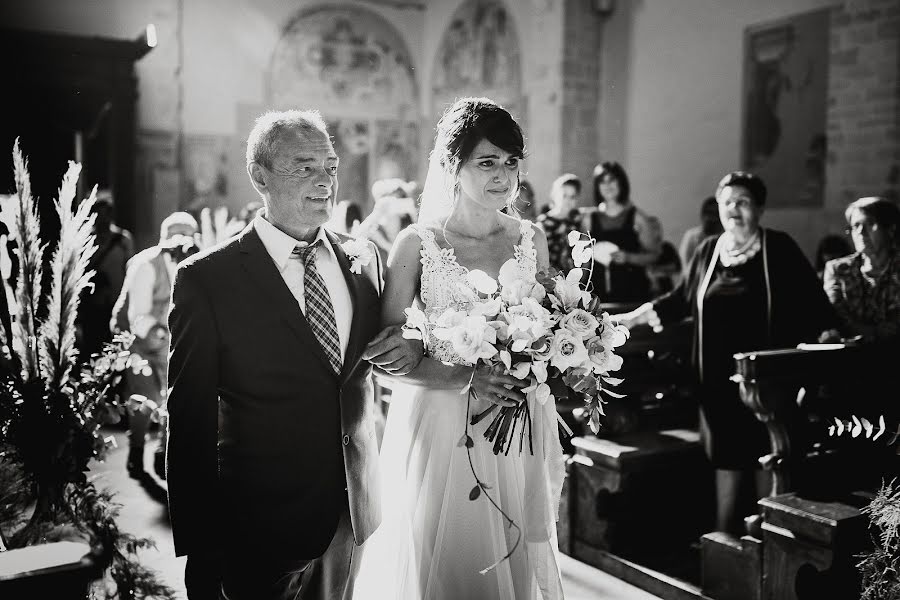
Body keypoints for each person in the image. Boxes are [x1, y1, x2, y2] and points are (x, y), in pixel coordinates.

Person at [166, 109, 424, 600]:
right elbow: (188, 417)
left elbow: (382, 350)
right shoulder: (208, 280)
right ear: (258, 176)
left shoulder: (363, 259)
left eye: (328, 166)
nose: (324, 181)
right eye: (302, 167)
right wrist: (202, 549)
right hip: (254, 523)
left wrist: (413, 343)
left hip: (351, 512)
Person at [353, 97, 564, 599]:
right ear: (453, 165)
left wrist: (558, 352)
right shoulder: (417, 244)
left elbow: (547, 327)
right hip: (443, 424)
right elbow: (388, 360)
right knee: (447, 560)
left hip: (518, 418)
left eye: (511, 163)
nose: (503, 177)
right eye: (486, 162)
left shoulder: (531, 238)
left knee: (513, 546)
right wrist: (468, 378)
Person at [614, 171, 836, 535]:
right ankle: (725, 541)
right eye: (727, 202)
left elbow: (814, 303)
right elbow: (679, 300)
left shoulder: (777, 248)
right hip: (716, 382)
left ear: (760, 208)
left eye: (743, 202)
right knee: (726, 458)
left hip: (767, 383)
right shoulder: (708, 250)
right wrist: (631, 318)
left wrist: (829, 332)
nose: (734, 210)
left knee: (769, 456)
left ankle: (768, 541)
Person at [111, 212, 200, 480]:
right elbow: (137, 315)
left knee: (172, 397)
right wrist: (160, 332)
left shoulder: (194, 261)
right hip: (138, 338)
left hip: (170, 337)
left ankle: (164, 454)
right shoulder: (146, 264)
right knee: (145, 397)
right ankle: (136, 452)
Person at [820, 197, 900, 342]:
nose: (861, 232)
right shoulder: (838, 270)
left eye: (870, 224)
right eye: (855, 226)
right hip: (853, 353)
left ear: (890, 228)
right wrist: (872, 332)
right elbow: (834, 314)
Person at [585, 161, 657, 303]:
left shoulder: (637, 217)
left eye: (612, 180)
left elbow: (654, 255)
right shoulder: (588, 219)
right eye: (602, 182)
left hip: (632, 294)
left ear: (621, 183)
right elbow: (584, 261)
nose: (607, 186)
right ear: (597, 186)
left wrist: (628, 257)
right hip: (597, 297)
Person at [77, 191, 133, 357]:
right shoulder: (86, 239)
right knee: (92, 349)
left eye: (105, 213)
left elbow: (130, 269)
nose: (102, 218)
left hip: (115, 302)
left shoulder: (123, 240)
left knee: (114, 349)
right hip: (92, 304)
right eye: (98, 214)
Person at [352, 178, 418, 262]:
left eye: (401, 198)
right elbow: (355, 239)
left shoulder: (408, 225)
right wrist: (376, 214)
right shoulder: (374, 230)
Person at [537, 173, 584, 273]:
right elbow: (540, 256)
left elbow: (585, 247)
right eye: (564, 195)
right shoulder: (544, 222)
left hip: (574, 277)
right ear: (555, 195)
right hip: (550, 277)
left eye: (572, 197)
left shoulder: (578, 219)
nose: (568, 200)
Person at [679, 196, 723, 267]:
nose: (712, 218)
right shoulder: (692, 237)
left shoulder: (727, 238)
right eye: (709, 213)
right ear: (702, 215)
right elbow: (686, 265)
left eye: (716, 214)